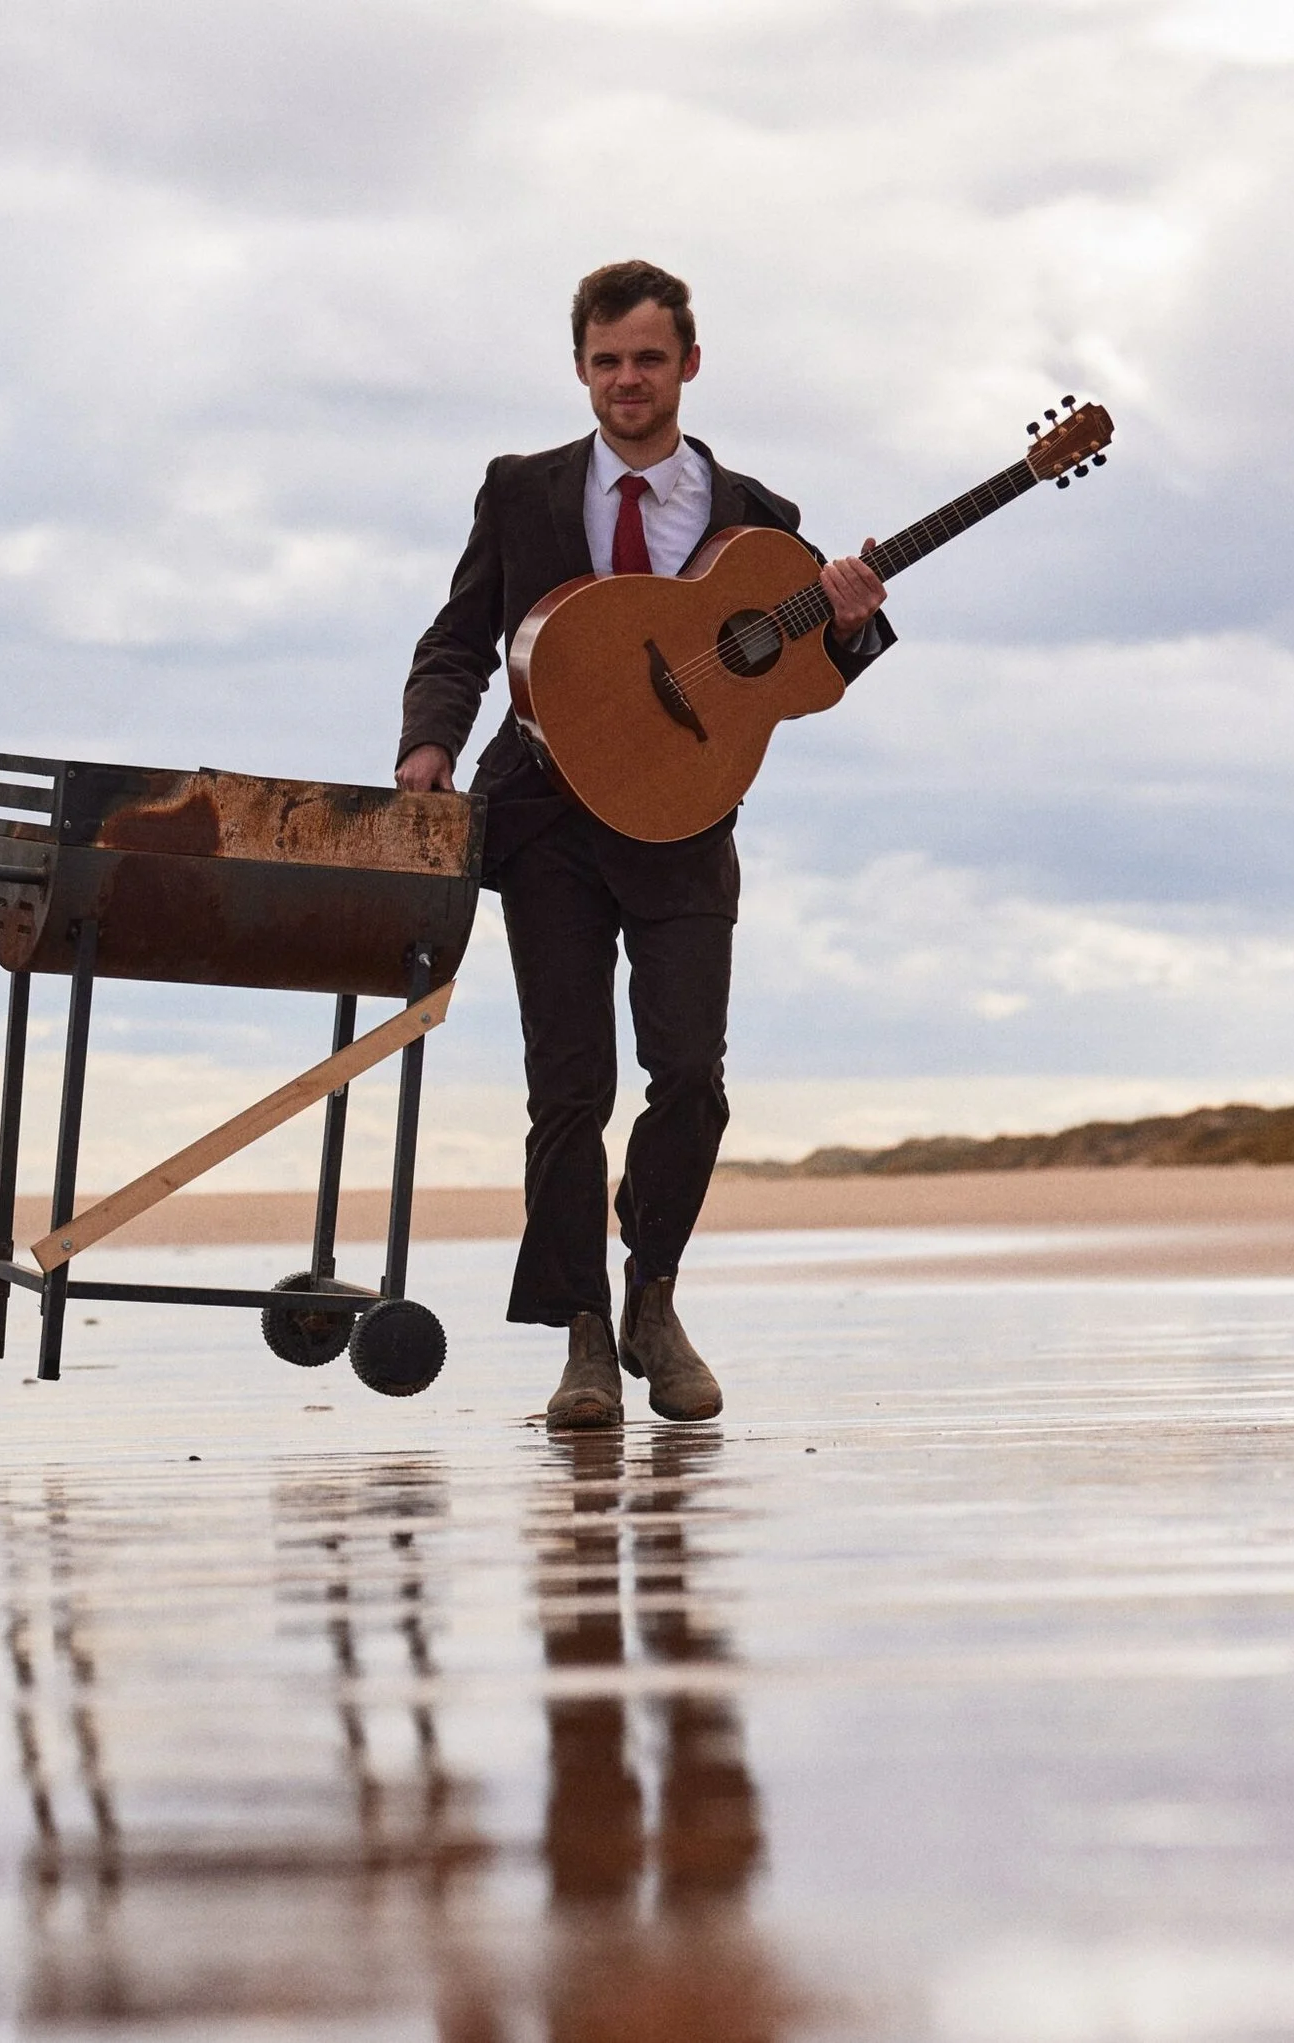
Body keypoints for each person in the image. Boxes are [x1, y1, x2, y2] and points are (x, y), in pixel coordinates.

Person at [395, 260, 889, 1429]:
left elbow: (808, 668)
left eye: (649, 359)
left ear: (689, 365)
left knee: (692, 1081)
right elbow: (458, 638)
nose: (628, 379)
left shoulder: (754, 514)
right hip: (545, 822)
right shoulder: (519, 491)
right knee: (568, 1089)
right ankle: (581, 1336)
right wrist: (428, 747)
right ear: (580, 369)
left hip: (685, 822)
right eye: (607, 360)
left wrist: (853, 626)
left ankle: (650, 1300)